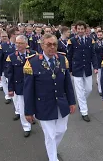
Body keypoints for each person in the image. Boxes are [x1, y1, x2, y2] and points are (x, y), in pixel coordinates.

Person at [24, 33, 76, 161]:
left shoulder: (62, 59)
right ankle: (53, 158)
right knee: (50, 135)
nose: (52, 47)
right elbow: (28, 90)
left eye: (54, 44)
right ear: (42, 45)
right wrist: (28, 111)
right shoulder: (32, 62)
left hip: (61, 103)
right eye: (49, 45)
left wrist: (72, 102)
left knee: (61, 130)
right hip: (43, 105)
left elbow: (68, 84)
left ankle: (52, 149)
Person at [67, 21, 98, 122]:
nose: (80, 31)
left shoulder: (90, 40)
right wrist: (70, 69)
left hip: (87, 68)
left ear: (85, 30)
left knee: (88, 89)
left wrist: (96, 66)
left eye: (82, 29)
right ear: (76, 30)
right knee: (79, 90)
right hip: (76, 68)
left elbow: (93, 54)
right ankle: (84, 111)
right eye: (78, 29)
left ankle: (81, 103)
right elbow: (69, 56)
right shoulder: (72, 40)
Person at [7, 35, 37, 137]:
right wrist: (10, 89)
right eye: (17, 43)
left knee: (35, 103)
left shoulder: (33, 54)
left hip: (33, 85)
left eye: (20, 43)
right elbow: (10, 74)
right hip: (20, 85)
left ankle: (32, 118)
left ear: (26, 44)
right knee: (23, 106)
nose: (18, 45)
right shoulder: (12, 57)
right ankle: (26, 127)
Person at [0, 29, 16, 105]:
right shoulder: (3, 46)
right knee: (7, 84)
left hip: (18, 71)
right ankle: (8, 96)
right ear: (11, 35)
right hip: (7, 70)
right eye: (16, 34)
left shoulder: (20, 45)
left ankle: (18, 110)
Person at [94, 30, 103, 96]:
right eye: (98, 35)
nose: (99, 36)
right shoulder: (95, 43)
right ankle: (100, 90)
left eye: (101, 35)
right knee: (99, 77)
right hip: (98, 61)